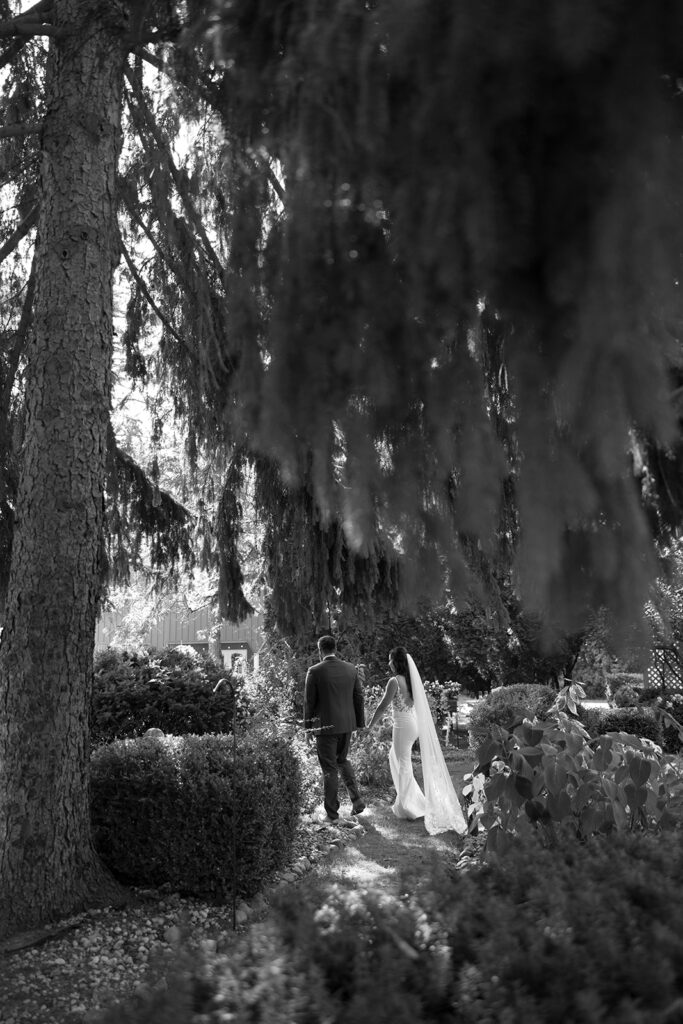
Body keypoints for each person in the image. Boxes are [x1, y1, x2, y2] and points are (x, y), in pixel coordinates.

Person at [366, 646, 467, 835]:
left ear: (396, 662)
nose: (388, 663)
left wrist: (370, 725)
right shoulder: (411, 680)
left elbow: (382, 706)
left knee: (403, 763)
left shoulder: (394, 681)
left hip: (403, 727)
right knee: (395, 758)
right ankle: (413, 801)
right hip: (411, 724)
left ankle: (409, 807)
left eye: (389, 659)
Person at [304, 635, 366, 822]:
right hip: (346, 725)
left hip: (326, 728)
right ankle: (357, 800)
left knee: (329, 768)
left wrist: (308, 729)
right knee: (342, 760)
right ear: (335, 649)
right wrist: (360, 724)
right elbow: (359, 697)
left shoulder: (314, 671)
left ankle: (332, 814)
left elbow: (309, 703)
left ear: (320, 650)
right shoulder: (350, 669)